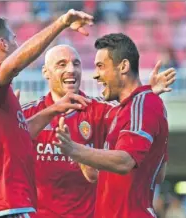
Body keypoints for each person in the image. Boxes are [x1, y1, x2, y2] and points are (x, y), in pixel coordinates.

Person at [0, 9, 94, 218]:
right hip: (5, 206)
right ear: (2, 44)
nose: (17, 45)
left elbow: (21, 134)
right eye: (14, 39)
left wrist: (54, 109)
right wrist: (62, 23)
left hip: (0, 206)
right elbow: (15, 64)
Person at [21, 44, 176, 218]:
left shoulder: (103, 110)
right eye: (62, 64)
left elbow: (132, 113)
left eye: (76, 63)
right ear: (45, 72)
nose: (71, 69)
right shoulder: (28, 114)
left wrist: (147, 92)